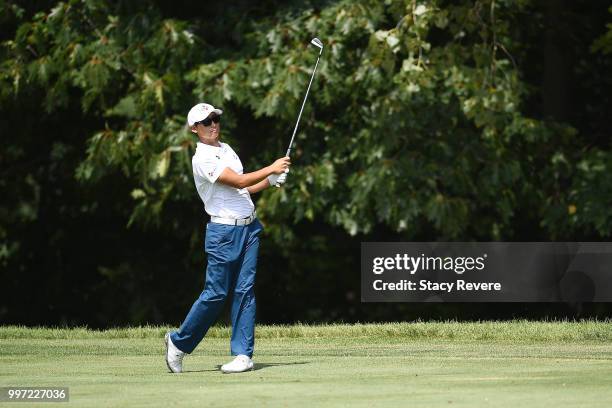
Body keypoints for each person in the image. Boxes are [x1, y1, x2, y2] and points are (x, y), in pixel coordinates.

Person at [165, 102, 290, 374]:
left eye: (215, 119)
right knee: (216, 294)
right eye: (206, 122)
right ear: (194, 128)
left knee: (244, 290)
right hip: (223, 233)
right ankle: (178, 342)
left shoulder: (226, 149)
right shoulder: (202, 159)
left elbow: (244, 189)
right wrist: (270, 168)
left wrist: (269, 181)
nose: (213, 125)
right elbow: (239, 181)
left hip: (249, 228)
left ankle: (242, 355)